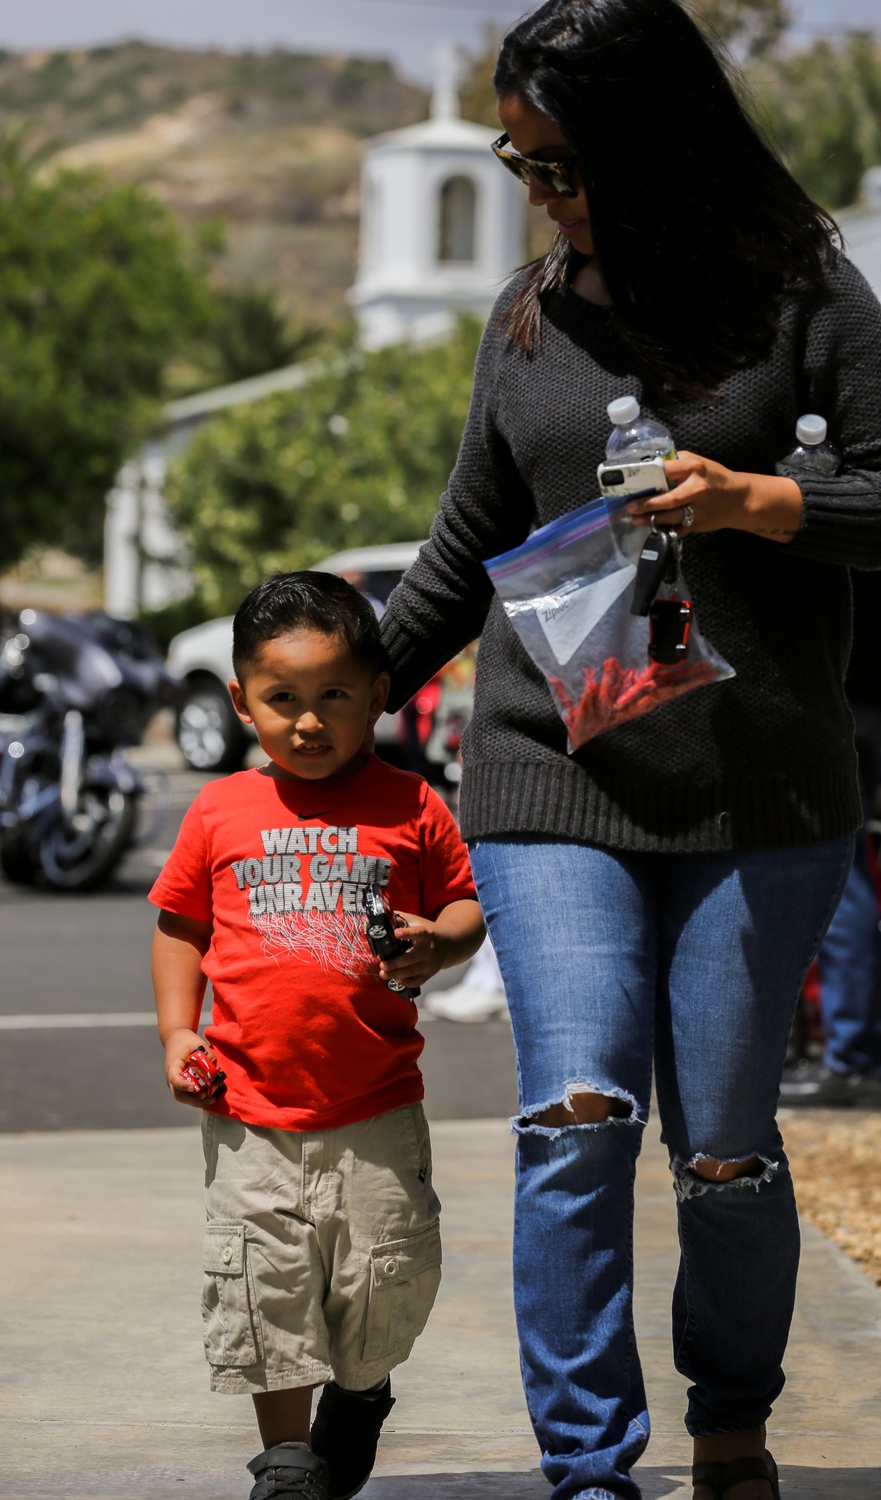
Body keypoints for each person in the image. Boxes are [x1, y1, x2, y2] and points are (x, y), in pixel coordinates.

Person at [377, 3, 881, 1497]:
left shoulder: (804, 293)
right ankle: (589, 1472)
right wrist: (328, 688)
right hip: (556, 768)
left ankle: (731, 1417)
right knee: (577, 1112)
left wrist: (759, 505)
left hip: (760, 782)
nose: (541, 195)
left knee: (722, 1144)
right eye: (518, 161)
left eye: (562, 165)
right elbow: (469, 546)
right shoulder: (528, 313)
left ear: (653, 150)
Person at [148, 572, 484, 1500]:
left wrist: (438, 943)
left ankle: (363, 1393)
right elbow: (180, 926)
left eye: (333, 695)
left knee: (387, 1284)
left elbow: (463, 904)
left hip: (375, 1106)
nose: (308, 721)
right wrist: (180, 1034)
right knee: (267, 1292)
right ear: (240, 702)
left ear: (378, 693)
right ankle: (287, 1460)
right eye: (281, 699)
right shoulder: (219, 811)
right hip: (250, 1109)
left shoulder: (412, 805)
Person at [781, 571, 881, 1106]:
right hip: (857, 694)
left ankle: (852, 1053)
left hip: (844, 694)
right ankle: (853, 1046)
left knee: (846, 880)